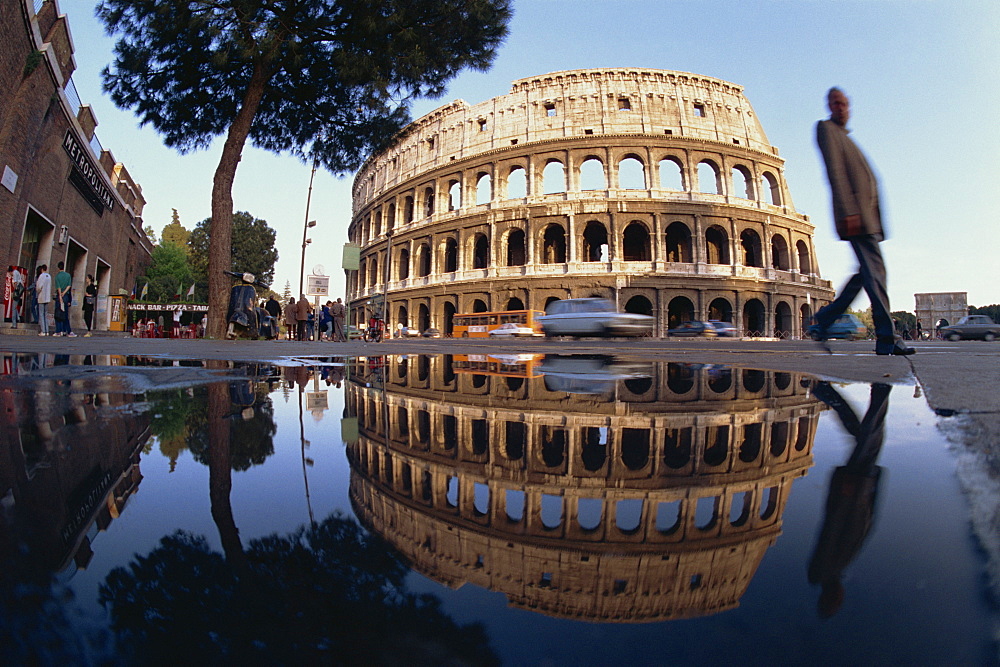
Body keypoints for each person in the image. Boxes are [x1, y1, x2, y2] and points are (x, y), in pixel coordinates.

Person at [814, 88, 912, 356]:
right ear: (830, 106)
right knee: (876, 276)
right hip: (856, 217)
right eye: (836, 103)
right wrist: (849, 213)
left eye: (845, 104)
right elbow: (835, 172)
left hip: (868, 219)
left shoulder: (847, 136)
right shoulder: (826, 129)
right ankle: (886, 338)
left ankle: (824, 319)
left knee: (865, 276)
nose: (842, 108)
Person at [807, 382, 891, 618]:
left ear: (829, 599)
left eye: (836, 602)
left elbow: (831, 530)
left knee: (871, 438)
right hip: (860, 494)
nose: (841, 597)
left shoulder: (822, 572)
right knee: (864, 437)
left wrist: (846, 496)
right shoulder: (835, 572)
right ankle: (828, 394)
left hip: (852, 493)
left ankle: (880, 392)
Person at [53, 261, 76, 337]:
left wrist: (60, 295)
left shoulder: (57, 276)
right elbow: (69, 286)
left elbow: (58, 287)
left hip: (59, 296)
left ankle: (58, 331)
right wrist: (64, 293)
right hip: (66, 296)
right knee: (65, 314)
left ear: (58, 268)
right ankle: (68, 331)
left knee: (58, 313)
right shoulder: (68, 275)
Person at [35, 264, 51, 336]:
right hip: (47, 297)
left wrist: (38, 292)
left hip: (42, 296)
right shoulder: (49, 276)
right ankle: (47, 330)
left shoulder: (41, 276)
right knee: (45, 314)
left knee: (41, 314)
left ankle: (43, 330)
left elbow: (39, 287)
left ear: (42, 269)